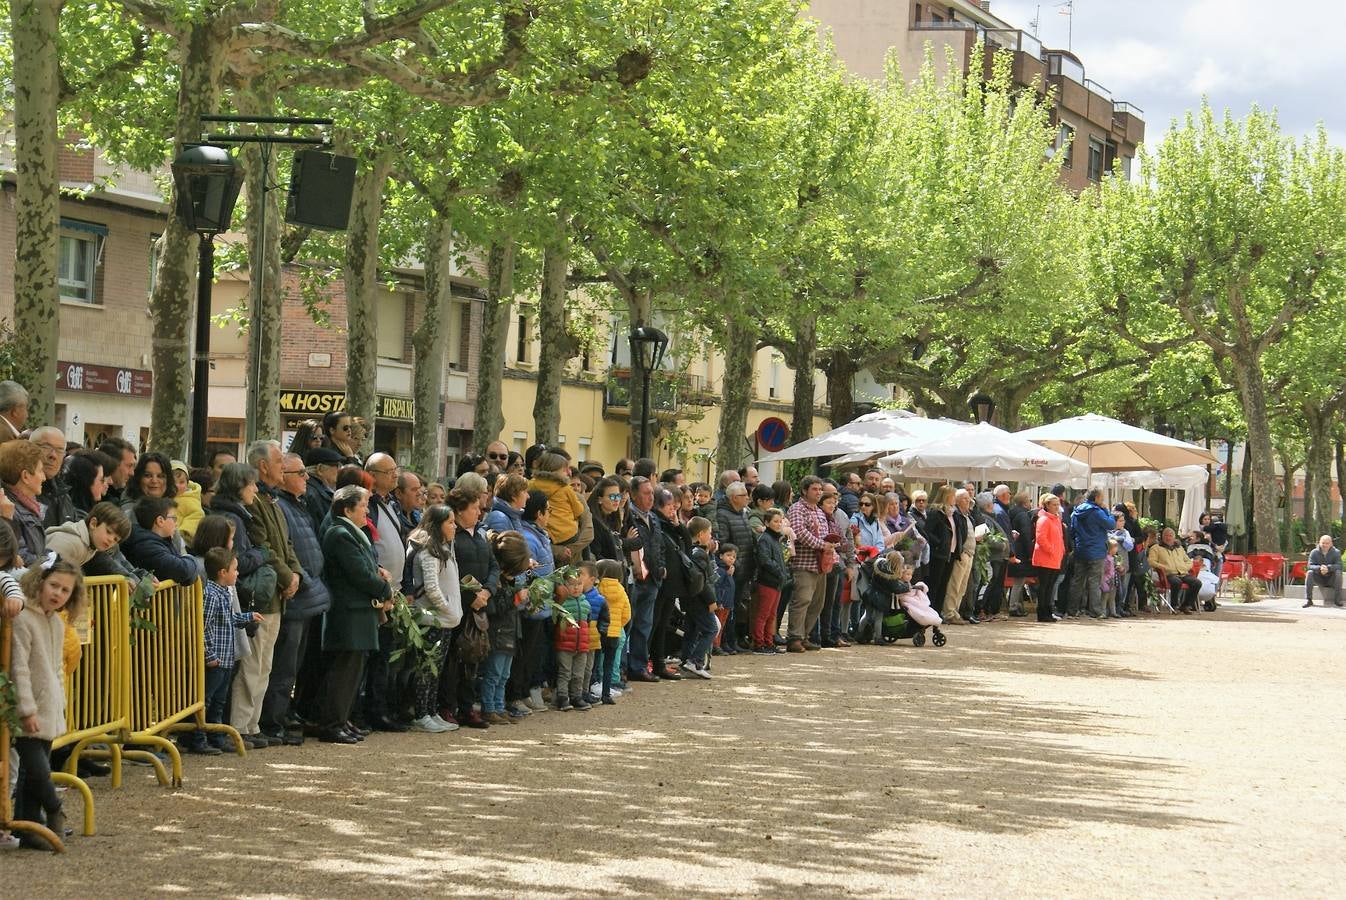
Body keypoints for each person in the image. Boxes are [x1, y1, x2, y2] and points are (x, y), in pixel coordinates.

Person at [9, 558, 85, 848]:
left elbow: (55, 668)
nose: (58, 594)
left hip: (49, 706)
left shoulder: (54, 621)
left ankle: (29, 827)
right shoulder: (24, 618)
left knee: (33, 772)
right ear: (40, 582)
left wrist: (60, 701)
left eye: (65, 590)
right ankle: (55, 808)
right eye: (54, 585)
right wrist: (26, 709)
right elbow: (20, 669)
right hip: (29, 708)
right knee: (38, 769)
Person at [265, 453, 334, 746]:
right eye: (300, 473)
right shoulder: (281, 505)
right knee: (284, 666)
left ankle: (282, 717)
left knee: (293, 666)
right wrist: (299, 577)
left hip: (307, 593)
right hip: (295, 595)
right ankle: (272, 722)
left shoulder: (299, 504)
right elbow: (284, 550)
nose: (307, 478)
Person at [319, 485, 393, 744]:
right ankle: (332, 723)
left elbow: (367, 565)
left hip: (360, 611)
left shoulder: (352, 532)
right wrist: (385, 589)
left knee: (355, 670)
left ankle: (343, 719)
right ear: (347, 509)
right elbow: (359, 573)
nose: (366, 512)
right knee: (344, 671)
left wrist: (379, 572)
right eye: (362, 506)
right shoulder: (340, 533)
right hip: (348, 611)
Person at [190, 548, 263, 754]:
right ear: (223, 572)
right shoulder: (211, 595)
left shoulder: (224, 593)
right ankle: (197, 737)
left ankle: (216, 736)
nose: (237, 573)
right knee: (206, 699)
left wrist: (247, 617)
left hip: (226, 659)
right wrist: (209, 655)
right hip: (216, 659)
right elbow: (202, 627)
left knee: (219, 701)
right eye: (235, 570)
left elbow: (227, 620)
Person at [360, 452, 407, 732]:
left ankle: (380, 709)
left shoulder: (390, 504)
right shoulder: (371, 505)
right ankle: (368, 710)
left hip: (395, 591)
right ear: (373, 475)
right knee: (373, 657)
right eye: (390, 471)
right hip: (377, 593)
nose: (395, 475)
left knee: (384, 657)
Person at [404, 505, 462, 733]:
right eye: (450, 522)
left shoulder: (444, 548)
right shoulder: (429, 550)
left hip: (445, 619)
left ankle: (430, 710)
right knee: (425, 670)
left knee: (436, 669)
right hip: (431, 620)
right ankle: (420, 714)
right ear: (437, 525)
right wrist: (447, 609)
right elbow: (431, 588)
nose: (454, 526)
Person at [450, 487, 498, 728]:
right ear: (459, 511)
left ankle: (468, 707)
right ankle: (448, 707)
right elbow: (450, 573)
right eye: (474, 508)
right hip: (459, 606)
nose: (480, 512)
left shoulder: (480, 536)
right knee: (453, 659)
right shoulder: (451, 537)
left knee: (473, 659)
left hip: (481, 606)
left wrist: (488, 591)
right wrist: (470, 597)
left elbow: (493, 567)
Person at [480, 531, 531, 725]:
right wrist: (516, 598)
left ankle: (499, 707)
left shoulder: (508, 581)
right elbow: (496, 608)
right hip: (498, 634)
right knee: (493, 674)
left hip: (509, 634)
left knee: (504, 675)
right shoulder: (495, 582)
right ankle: (489, 707)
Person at [510, 491, 553, 716]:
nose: (550, 515)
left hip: (541, 605)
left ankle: (524, 690)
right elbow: (526, 573)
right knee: (523, 653)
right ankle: (516, 694)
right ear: (539, 513)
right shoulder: (528, 537)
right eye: (549, 510)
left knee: (532, 653)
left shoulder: (540, 534)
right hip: (530, 605)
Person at [786, 476, 831, 653]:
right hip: (803, 563)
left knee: (817, 603)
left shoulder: (820, 512)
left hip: (821, 564)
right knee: (802, 600)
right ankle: (794, 638)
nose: (819, 492)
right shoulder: (797, 509)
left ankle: (805, 636)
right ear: (804, 490)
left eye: (820, 489)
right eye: (815, 489)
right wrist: (822, 545)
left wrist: (830, 544)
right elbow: (799, 532)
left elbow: (825, 534)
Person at [625, 476, 664, 683]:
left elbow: (659, 545)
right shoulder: (628, 516)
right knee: (627, 625)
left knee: (644, 625)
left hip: (652, 580)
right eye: (646, 493)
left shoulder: (654, 517)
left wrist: (661, 566)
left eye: (652, 493)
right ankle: (623, 668)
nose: (651, 498)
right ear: (633, 494)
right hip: (634, 579)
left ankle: (639, 666)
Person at [651, 487, 691, 679]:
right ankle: (652, 663)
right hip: (662, 583)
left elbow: (687, 547)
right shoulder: (656, 522)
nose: (673, 509)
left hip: (671, 584)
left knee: (661, 624)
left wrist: (679, 526)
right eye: (669, 505)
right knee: (654, 624)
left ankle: (657, 663)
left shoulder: (670, 524)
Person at [713, 481, 755, 653]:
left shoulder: (743, 513)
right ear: (733, 498)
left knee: (736, 608)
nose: (747, 498)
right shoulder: (723, 515)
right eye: (744, 495)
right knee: (727, 609)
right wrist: (731, 564)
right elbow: (724, 543)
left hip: (744, 569)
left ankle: (732, 641)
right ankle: (722, 642)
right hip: (731, 570)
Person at [122, 497, 204, 584]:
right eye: (174, 518)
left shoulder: (159, 541)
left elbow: (186, 578)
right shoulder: (146, 545)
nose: (176, 523)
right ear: (160, 521)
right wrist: (191, 559)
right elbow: (182, 570)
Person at [679, 517, 719, 678]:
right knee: (711, 629)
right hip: (700, 600)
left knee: (692, 631)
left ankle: (685, 661)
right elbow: (703, 580)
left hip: (690, 599)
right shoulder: (699, 554)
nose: (711, 536)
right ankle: (695, 661)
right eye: (709, 532)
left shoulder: (691, 550)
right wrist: (711, 600)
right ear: (701, 534)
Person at [1069, 488, 1116, 619]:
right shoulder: (1097, 512)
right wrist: (1108, 511)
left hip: (1081, 549)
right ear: (1096, 498)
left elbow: (1072, 531)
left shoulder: (1076, 511)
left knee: (1078, 581)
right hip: (1096, 551)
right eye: (1102, 498)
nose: (1103, 501)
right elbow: (1111, 524)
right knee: (1094, 581)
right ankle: (1095, 610)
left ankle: (1072, 609)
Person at [2, 439, 48, 564]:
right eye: (40, 471)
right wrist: (49, 563)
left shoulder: (28, 506)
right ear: (26, 476)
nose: (44, 477)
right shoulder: (7, 509)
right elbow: (20, 558)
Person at [552, 570, 592, 711]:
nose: (576, 588)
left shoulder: (586, 603)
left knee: (578, 674)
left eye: (579, 584)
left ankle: (577, 696)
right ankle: (562, 697)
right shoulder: (561, 603)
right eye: (572, 584)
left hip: (582, 646)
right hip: (564, 645)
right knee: (565, 672)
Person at [529, 451, 584, 549]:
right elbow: (578, 510)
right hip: (567, 533)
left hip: (543, 531)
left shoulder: (531, 485)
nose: (568, 473)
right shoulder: (565, 488)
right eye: (565, 470)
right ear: (555, 470)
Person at [753, 508, 790, 654]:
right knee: (763, 614)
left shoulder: (775, 538)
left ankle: (769, 642)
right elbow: (765, 560)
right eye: (775, 521)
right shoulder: (765, 539)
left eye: (780, 521)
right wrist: (780, 572)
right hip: (768, 581)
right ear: (767, 523)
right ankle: (759, 644)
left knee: (772, 615)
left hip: (776, 582)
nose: (778, 524)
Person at [595, 559, 630, 703]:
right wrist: (617, 625)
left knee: (597, 662)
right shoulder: (621, 590)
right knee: (610, 662)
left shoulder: (597, 588)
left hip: (598, 632)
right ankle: (607, 693)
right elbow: (627, 613)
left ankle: (596, 684)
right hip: (614, 632)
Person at [1148, 527, 1200, 614]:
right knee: (1176, 582)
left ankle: (1186, 605)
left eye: (1170, 536)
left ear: (1174, 537)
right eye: (1166, 536)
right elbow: (1151, 561)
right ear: (1162, 536)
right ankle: (1174, 605)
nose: (1168, 538)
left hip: (1183, 573)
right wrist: (1161, 566)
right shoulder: (1156, 548)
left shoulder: (1179, 548)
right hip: (1168, 574)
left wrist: (1185, 567)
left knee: (1197, 583)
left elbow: (1188, 561)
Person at [30, 427, 75, 527]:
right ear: (30, 448)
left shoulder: (63, 495)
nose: (53, 455)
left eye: (59, 450)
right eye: (46, 447)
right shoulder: (13, 493)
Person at [1033, 493, 1066, 623]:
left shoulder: (1056, 519)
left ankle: (1048, 611)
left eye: (1058, 504)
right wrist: (1051, 550)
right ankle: (1042, 612)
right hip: (1045, 558)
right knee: (1044, 586)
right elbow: (1041, 538)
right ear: (1047, 505)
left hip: (1054, 557)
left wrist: (1061, 550)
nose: (1057, 507)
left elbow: (1060, 537)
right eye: (1054, 505)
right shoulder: (1044, 519)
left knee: (1050, 586)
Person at [1108, 512, 1136, 617]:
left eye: (1123, 520)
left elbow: (1129, 546)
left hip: (1123, 561)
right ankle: (1110, 609)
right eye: (1120, 521)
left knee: (1122, 587)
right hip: (1110, 563)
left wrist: (1120, 538)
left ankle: (1119, 608)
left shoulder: (1125, 532)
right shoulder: (1108, 531)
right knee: (1112, 587)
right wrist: (1116, 538)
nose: (1123, 523)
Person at [1304, 534, 1342, 608]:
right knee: (1309, 572)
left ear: (1331, 543)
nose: (1325, 545)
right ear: (1319, 543)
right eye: (1323, 543)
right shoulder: (1314, 552)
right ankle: (1308, 600)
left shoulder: (1336, 552)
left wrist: (1328, 568)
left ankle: (1337, 599)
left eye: (1327, 543)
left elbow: (1339, 566)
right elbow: (1309, 566)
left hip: (1331, 579)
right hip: (1319, 579)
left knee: (1338, 572)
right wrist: (1319, 568)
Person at [97, 438, 137, 506]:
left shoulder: (129, 495)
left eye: (133, 466)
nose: (132, 473)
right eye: (129, 466)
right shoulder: (97, 498)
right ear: (112, 463)